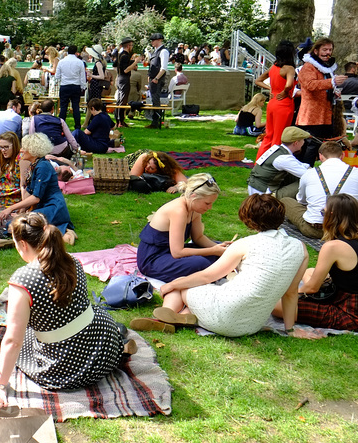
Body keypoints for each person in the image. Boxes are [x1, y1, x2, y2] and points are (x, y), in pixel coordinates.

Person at [0, 212, 135, 408]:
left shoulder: (23, 280)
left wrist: (0, 386)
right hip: (103, 349)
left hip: (64, 368)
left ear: (22, 244)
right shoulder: (71, 260)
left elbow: (13, 341)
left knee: (14, 340)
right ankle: (119, 341)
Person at [132, 194, 307, 337]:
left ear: (250, 221)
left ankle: (163, 317)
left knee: (182, 283)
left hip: (224, 314)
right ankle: (182, 317)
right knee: (202, 286)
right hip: (250, 326)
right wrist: (290, 330)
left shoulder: (245, 244)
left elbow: (206, 276)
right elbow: (291, 294)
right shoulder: (301, 248)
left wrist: (171, 285)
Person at [136, 173, 229, 282]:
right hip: (153, 259)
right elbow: (177, 252)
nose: (210, 207)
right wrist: (213, 250)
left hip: (170, 252)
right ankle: (217, 273)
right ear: (193, 196)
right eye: (207, 203)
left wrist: (221, 249)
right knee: (201, 263)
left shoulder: (194, 209)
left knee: (221, 248)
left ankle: (218, 270)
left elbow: (198, 237)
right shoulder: (178, 211)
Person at [0, 133, 77, 244]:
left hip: (53, 208)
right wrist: (21, 212)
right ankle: (60, 231)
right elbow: (29, 194)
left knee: (21, 225)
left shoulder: (43, 166)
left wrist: (10, 208)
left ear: (33, 151)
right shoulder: (35, 165)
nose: (21, 150)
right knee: (14, 223)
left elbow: (36, 198)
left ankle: (63, 232)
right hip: (44, 207)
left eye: (24, 148)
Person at [295, 194, 358, 330]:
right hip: (347, 297)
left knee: (277, 305)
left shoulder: (333, 247)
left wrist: (290, 295)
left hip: (349, 312)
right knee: (309, 272)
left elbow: (312, 288)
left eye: (323, 213)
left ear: (331, 216)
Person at [280, 141, 358, 239]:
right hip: (347, 228)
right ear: (342, 155)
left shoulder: (309, 173)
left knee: (286, 201)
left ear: (320, 156)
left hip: (316, 229)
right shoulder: (355, 173)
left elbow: (301, 200)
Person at [296, 38, 348, 164]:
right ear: (316, 51)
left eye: (330, 50)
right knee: (310, 148)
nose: (328, 53)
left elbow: (326, 87)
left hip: (326, 115)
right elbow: (310, 85)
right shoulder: (308, 67)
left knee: (327, 148)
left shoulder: (327, 68)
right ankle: (304, 174)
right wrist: (332, 82)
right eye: (324, 50)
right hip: (311, 116)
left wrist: (334, 91)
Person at [254, 41, 297, 157]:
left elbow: (257, 80)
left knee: (269, 135)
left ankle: (259, 161)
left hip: (272, 103)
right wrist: (284, 92)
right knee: (279, 137)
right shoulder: (289, 68)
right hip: (284, 103)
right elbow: (289, 85)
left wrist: (271, 89)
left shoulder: (274, 67)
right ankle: (272, 164)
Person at [247, 126, 311, 198]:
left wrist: (309, 168)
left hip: (256, 187)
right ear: (296, 143)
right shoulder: (284, 158)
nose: (304, 142)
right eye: (303, 140)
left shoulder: (277, 149)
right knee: (307, 181)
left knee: (296, 177)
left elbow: (299, 164)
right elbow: (308, 176)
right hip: (264, 195)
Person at [54, 45, 86, 129]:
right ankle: (78, 126)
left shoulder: (61, 62)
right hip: (76, 86)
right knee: (76, 107)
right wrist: (83, 86)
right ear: (76, 52)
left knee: (63, 107)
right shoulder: (79, 62)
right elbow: (82, 76)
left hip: (64, 85)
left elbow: (57, 76)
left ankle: (60, 125)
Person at [146, 33, 171, 129]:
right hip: (153, 78)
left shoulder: (163, 51)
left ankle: (156, 122)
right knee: (154, 99)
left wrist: (156, 78)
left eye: (153, 40)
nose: (152, 42)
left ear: (159, 40)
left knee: (156, 100)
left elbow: (163, 68)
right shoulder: (155, 51)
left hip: (157, 79)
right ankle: (155, 121)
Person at [114, 37, 138, 129]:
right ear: (128, 46)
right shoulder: (125, 56)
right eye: (131, 45)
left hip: (120, 78)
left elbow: (115, 65)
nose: (132, 47)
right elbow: (126, 70)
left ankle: (119, 120)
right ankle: (120, 121)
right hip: (124, 79)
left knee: (120, 100)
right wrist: (135, 62)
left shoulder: (120, 55)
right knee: (122, 101)